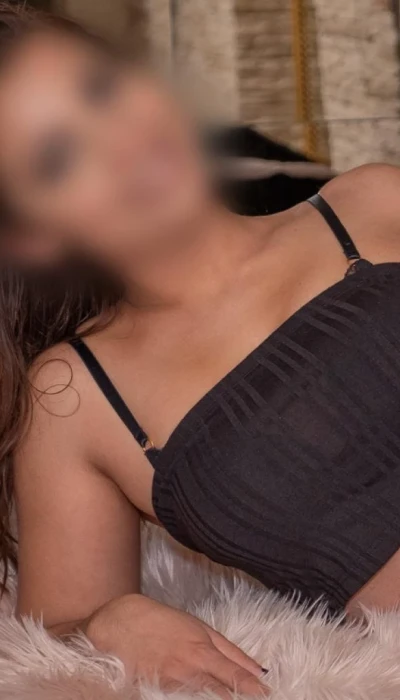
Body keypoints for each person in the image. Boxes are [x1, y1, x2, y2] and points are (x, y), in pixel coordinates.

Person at [1, 2, 400, 694]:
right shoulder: (78, 395)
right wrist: (112, 621)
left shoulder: (373, 204)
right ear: (30, 235)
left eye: (100, 89)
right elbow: (46, 636)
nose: (121, 143)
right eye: (59, 157)